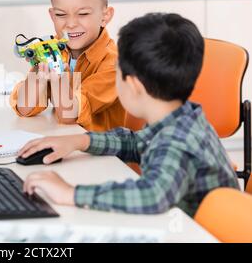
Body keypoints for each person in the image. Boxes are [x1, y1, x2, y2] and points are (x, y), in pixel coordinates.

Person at [19, 13, 239, 217]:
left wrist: (69, 193)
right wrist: (80, 140)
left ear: (132, 85)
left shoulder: (175, 142)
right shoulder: (182, 118)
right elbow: (135, 143)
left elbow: (152, 196)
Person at [10, 0, 125, 131]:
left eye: (83, 13)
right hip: (65, 141)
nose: (70, 24)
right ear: (52, 16)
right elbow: (25, 109)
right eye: (61, 14)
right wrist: (38, 78)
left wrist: (58, 78)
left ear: (105, 16)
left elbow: (69, 114)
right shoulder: (55, 50)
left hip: (102, 153)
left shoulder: (113, 63)